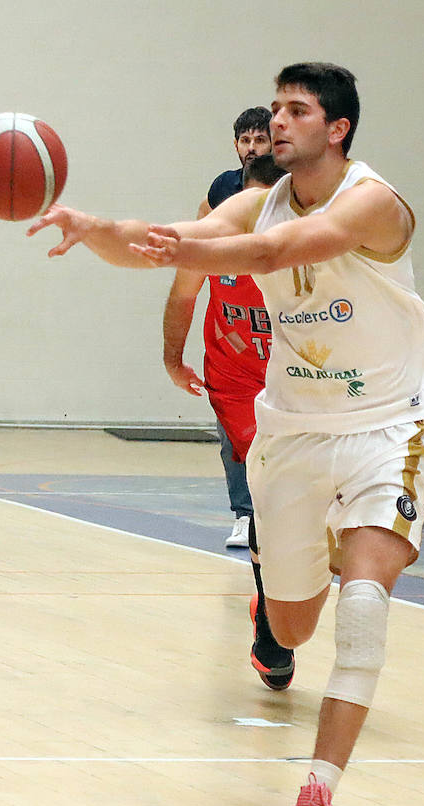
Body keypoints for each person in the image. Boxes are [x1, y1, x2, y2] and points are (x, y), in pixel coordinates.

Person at [29, 62, 424, 806]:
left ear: (339, 128)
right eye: (276, 109)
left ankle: (316, 799)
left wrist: (186, 241)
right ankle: (291, 573)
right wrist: (99, 229)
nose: (278, 122)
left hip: (388, 425)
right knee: (292, 624)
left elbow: (278, 249)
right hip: (292, 431)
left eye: (297, 110)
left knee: (362, 609)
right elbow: (175, 253)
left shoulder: (374, 202)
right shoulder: (256, 199)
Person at [161, 153, 292, 688]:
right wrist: (173, 358)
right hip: (238, 381)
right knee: (268, 487)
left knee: (307, 505)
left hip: (305, 380)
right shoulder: (215, 240)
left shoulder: (316, 239)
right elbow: (182, 292)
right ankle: (270, 619)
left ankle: (283, 597)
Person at [197, 108, 273, 548]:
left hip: (280, 325)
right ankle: (244, 514)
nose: (251, 148)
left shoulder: (291, 190)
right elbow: (200, 236)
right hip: (237, 327)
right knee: (233, 436)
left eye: (258, 139)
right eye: (244, 140)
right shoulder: (221, 189)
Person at [201, 107, 273, 216]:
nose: (251, 148)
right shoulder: (224, 184)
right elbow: (204, 222)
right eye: (245, 140)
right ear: (236, 145)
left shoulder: (286, 185)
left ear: (274, 144)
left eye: (260, 140)